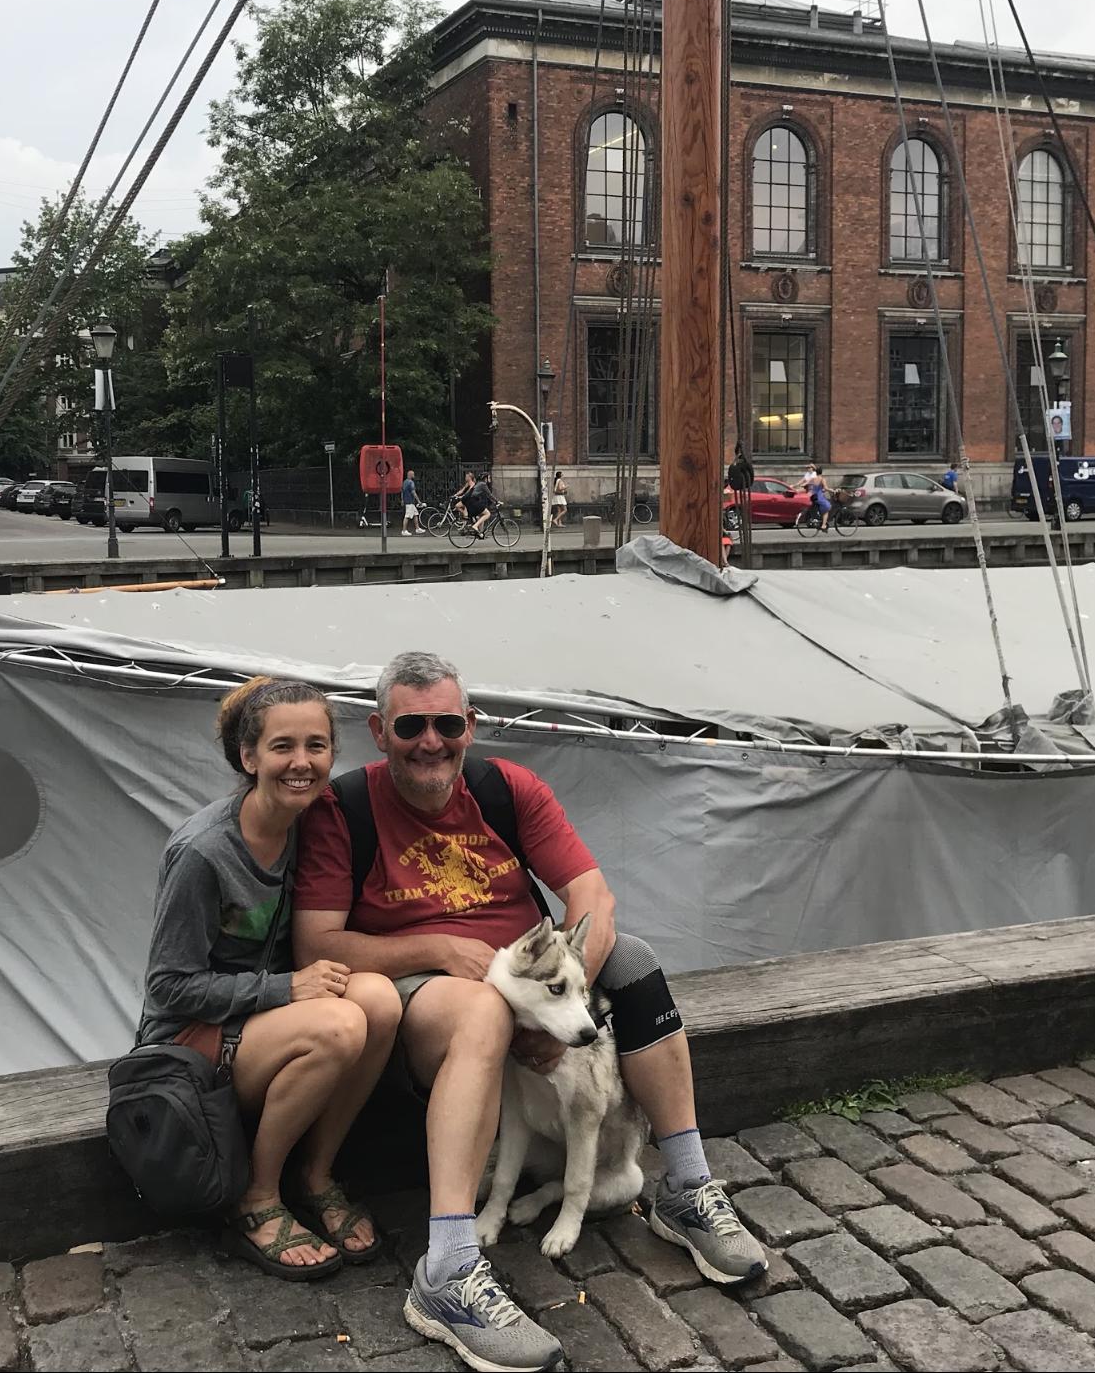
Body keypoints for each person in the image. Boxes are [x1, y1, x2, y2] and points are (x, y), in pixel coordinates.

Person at [294, 652, 768, 1371]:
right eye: (411, 725)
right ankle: (447, 1270)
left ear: (471, 727)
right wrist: (434, 947)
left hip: (535, 983)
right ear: (379, 732)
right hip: (425, 994)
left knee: (633, 958)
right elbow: (317, 942)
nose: (431, 741)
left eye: (446, 724)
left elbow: (592, 899)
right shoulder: (345, 809)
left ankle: (688, 1185)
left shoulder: (507, 789)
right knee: (483, 1014)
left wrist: (561, 1008)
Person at [141, 677, 399, 1279]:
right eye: (283, 747)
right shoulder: (205, 854)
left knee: (380, 1003)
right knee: (338, 1026)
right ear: (248, 756)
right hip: (191, 1041)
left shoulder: (310, 827)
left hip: (266, 1022)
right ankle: (256, 1197)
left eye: (317, 745)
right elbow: (169, 987)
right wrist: (287, 988)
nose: (302, 763)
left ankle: (316, 1174)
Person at [401, 469, 422, 537]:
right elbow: (413, 492)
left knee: (415, 514)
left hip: (407, 501)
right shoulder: (411, 482)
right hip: (410, 501)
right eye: (413, 474)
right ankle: (404, 530)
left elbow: (402, 492)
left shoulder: (404, 482)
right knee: (407, 516)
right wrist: (418, 501)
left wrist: (402, 500)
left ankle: (417, 528)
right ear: (410, 475)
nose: (414, 475)